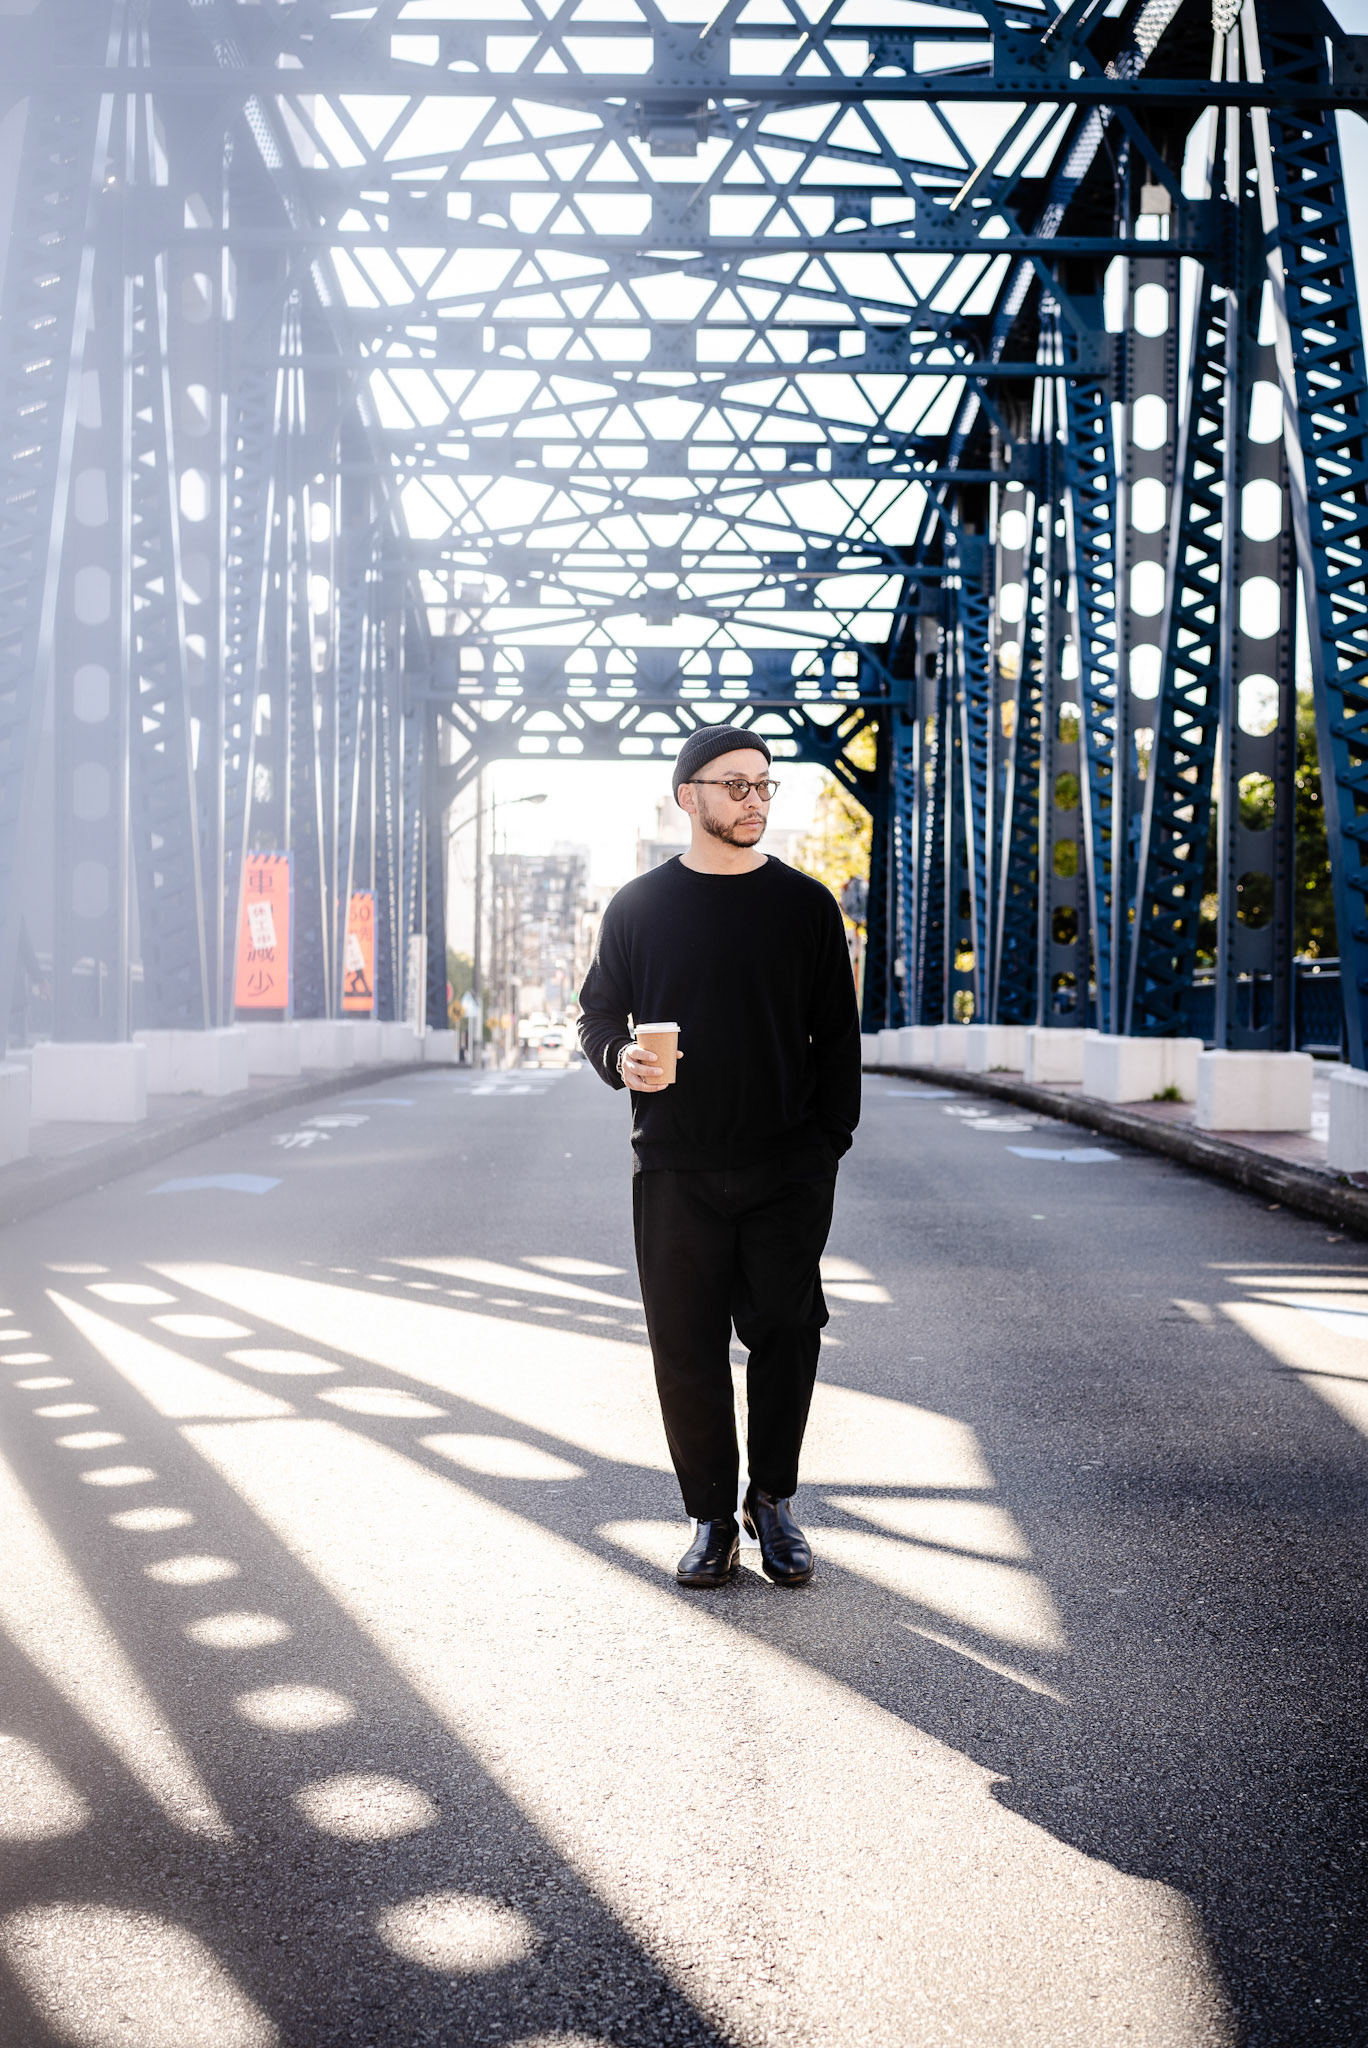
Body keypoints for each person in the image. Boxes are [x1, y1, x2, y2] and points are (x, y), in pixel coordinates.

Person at [576, 724, 861, 1589]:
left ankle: (771, 1503)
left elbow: (837, 1041)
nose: (754, 799)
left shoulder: (806, 906)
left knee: (788, 1335)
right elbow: (598, 1015)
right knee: (686, 1345)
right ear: (687, 796)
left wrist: (825, 1148)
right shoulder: (638, 907)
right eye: (735, 784)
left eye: (764, 784)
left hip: (786, 1167)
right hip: (675, 1164)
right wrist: (618, 1057)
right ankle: (709, 1517)